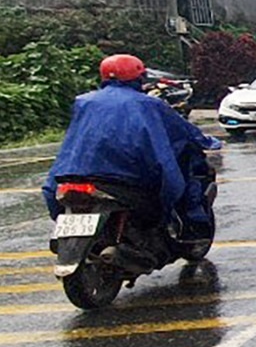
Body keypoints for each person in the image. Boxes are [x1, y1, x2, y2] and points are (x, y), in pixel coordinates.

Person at [42, 53, 221, 241]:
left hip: (73, 172)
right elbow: (182, 130)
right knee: (175, 182)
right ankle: (185, 228)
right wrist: (208, 141)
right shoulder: (148, 104)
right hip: (124, 175)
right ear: (138, 77)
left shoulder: (84, 101)